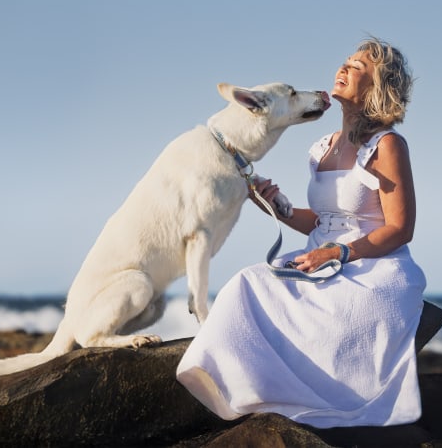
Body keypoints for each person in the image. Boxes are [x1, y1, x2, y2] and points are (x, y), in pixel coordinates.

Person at [176, 38, 426, 428]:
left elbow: (400, 229)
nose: (343, 69)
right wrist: (276, 204)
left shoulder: (387, 145)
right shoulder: (322, 148)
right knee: (246, 284)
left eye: (358, 67)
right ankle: (242, 394)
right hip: (318, 258)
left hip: (373, 269)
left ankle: (313, 402)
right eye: (345, 62)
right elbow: (321, 222)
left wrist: (337, 254)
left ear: (379, 86)